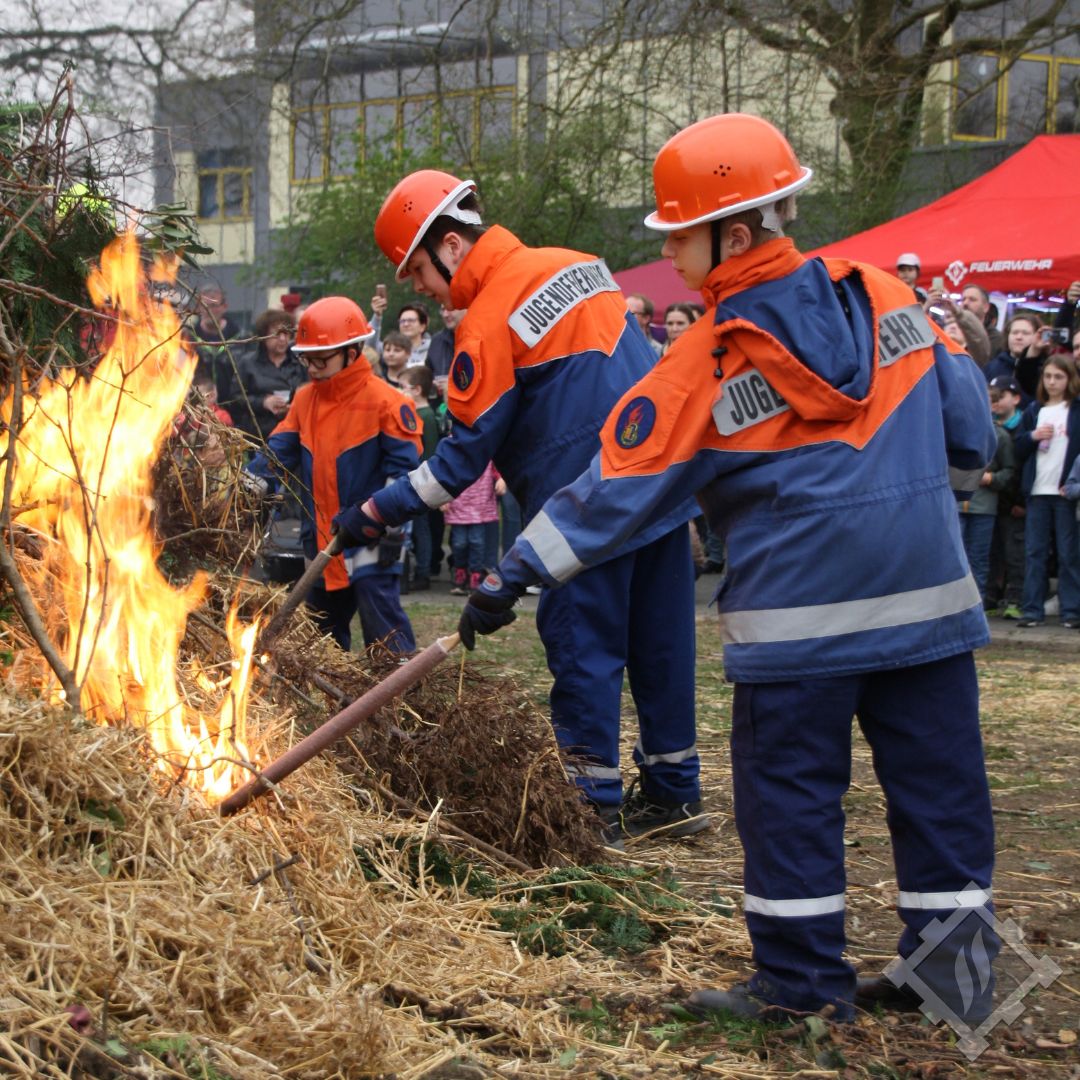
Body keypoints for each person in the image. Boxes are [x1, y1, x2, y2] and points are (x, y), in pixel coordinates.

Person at [457, 113, 999, 1025]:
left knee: (791, 801)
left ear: (735, 233)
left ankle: (800, 989)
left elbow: (614, 490)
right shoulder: (884, 296)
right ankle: (960, 984)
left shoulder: (705, 356)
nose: (670, 253)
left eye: (679, 233)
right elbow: (970, 436)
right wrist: (915, 504)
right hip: (930, 609)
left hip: (798, 629)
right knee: (941, 791)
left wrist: (511, 577)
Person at [334, 168, 703, 842]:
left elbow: (456, 467)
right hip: (657, 490)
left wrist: (374, 511)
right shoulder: (580, 266)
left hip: (580, 517)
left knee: (585, 653)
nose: (417, 286)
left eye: (418, 269)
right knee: (664, 649)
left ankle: (592, 815)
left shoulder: (487, 320)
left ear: (449, 246)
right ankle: (676, 794)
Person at [247, 297, 420, 654]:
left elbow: (405, 478)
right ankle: (332, 707)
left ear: (352, 351)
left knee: (384, 635)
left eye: (320, 359)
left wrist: (383, 524)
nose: (311, 367)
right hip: (321, 544)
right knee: (323, 644)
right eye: (306, 358)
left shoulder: (387, 402)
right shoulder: (305, 399)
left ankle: (398, 701)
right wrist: (246, 487)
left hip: (370, 540)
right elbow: (278, 452)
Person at [1012, 354, 1080, 629]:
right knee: (1035, 552)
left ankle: (1071, 610)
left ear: (1069, 379)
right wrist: (1032, 436)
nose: (1052, 382)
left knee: (1068, 554)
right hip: (1038, 491)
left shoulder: (1075, 410)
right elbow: (1017, 447)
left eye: (1059, 377)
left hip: (1064, 492)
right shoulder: (1034, 410)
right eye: (1048, 376)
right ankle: (1032, 609)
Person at [958, 386, 1015, 606]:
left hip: (984, 507)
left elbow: (1010, 472)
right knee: (956, 559)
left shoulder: (999, 435)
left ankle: (977, 604)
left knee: (979, 558)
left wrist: (991, 479)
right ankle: (956, 606)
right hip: (957, 505)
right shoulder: (957, 431)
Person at [227, 309, 307, 442]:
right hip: (259, 435)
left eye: (286, 334)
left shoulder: (300, 361)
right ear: (263, 336)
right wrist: (263, 402)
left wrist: (294, 405)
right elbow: (235, 398)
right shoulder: (248, 363)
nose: (282, 339)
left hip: (294, 432)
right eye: (277, 334)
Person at [986, 376, 1026, 619]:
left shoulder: (1021, 426)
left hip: (1013, 501)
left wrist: (1019, 501)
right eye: (993, 399)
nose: (996, 404)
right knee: (992, 553)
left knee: (1015, 554)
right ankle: (990, 596)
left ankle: (1016, 598)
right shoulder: (989, 428)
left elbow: (1017, 469)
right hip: (992, 503)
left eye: (1000, 398)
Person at [399, 365, 442, 591]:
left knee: (421, 528)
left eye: (402, 387)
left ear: (416, 390)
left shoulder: (426, 416)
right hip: (411, 479)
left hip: (421, 482)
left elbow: (429, 452)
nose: (399, 391)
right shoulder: (413, 414)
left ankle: (423, 572)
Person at [444, 461, 501, 594]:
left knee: (477, 542)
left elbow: (496, 469)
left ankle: (476, 574)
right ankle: (460, 571)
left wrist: (501, 480)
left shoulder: (486, 450)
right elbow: (444, 473)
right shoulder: (454, 448)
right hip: (458, 506)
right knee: (459, 543)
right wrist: (443, 498)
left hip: (480, 506)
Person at [187, 285, 241, 409]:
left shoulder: (240, 339)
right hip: (199, 411)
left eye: (213, 306)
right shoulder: (189, 339)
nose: (208, 310)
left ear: (224, 307)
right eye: (204, 306)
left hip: (236, 411)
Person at [984, 312, 1048, 402]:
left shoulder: (1045, 368)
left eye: (1025, 333)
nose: (1019, 337)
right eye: (1015, 332)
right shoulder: (992, 367)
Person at [960, 283, 1004, 355]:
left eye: (972, 299)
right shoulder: (952, 331)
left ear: (985, 307)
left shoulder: (995, 339)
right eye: (963, 299)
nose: (965, 303)